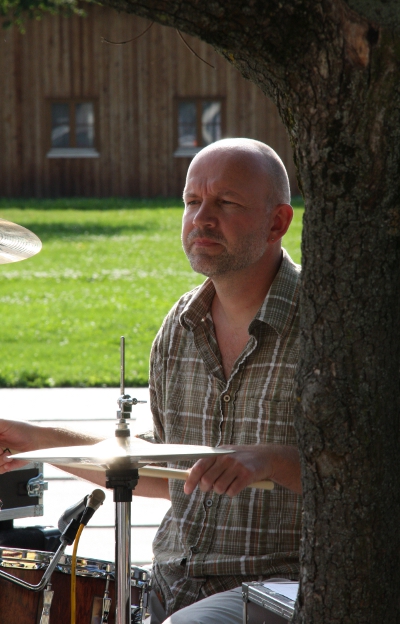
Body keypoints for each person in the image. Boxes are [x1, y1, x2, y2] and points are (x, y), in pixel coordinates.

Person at [0, 138, 302, 624]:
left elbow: (369, 474)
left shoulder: (325, 330)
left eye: (225, 203)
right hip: (172, 584)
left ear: (277, 222)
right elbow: (162, 472)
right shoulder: (179, 327)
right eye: (191, 201)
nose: (201, 218)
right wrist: (31, 440)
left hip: (279, 589)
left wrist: (272, 459)